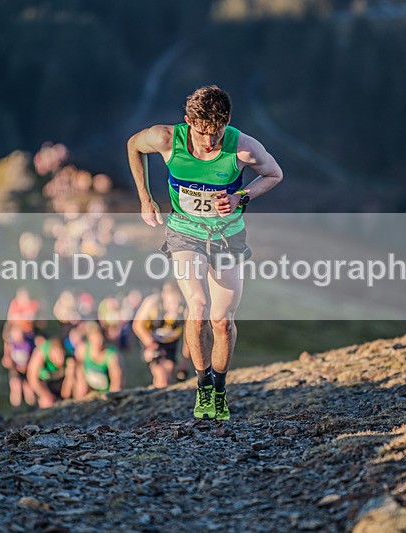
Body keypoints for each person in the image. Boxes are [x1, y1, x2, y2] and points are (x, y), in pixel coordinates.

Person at [127, 85, 283, 420]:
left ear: (227, 121)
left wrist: (243, 196)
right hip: (186, 233)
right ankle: (202, 387)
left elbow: (274, 174)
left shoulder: (243, 147)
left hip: (228, 238)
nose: (210, 142)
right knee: (197, 307)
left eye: (217, 133)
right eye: (202, 133)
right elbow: (132, 146)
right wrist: (145, 197)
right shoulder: (166, 138)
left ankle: (220, 389)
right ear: (188, 122)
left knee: (222, 322)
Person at [133, 281, 189, 389]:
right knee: (160, 373)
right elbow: (137, 325)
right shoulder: (152, 303)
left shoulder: (185, 308)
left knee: (169, 370)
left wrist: (185, 360)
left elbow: (189, 335)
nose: (174, 307)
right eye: (171, 302)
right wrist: (149, 343)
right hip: (152, 341)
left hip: (171, 344)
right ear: (163, 296)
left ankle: (160, 395)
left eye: (177, 302)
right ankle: (157, 396)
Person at [74, 321, 124, 397]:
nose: (98, 341)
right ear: (89, 338)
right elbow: (79, 372)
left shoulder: (111, 355)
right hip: (89, 390)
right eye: (94, 338)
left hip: (106, 392)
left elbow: (116, 383)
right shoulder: (82, 349)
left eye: (100, 337)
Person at [27, 337, 76, 408]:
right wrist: (45, 395)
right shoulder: (40, 354)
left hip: (60, 381)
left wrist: (65, 397)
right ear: (51, 352)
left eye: (62, 354)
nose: (61, 359)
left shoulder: (69, 357)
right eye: (58, 355)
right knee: (47, 402)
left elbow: (69, 382)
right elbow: (32, 378)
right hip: (44, 383)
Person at [1, 324, 37, 408]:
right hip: (15, 369)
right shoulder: (10, 344)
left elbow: (34, 356)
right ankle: (16, 409)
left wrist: (28, 366)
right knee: (15, 385)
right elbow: (6, 359)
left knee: (28, 388)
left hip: (27, 369)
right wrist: (9, 362)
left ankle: (31, 407)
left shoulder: (29, 342)